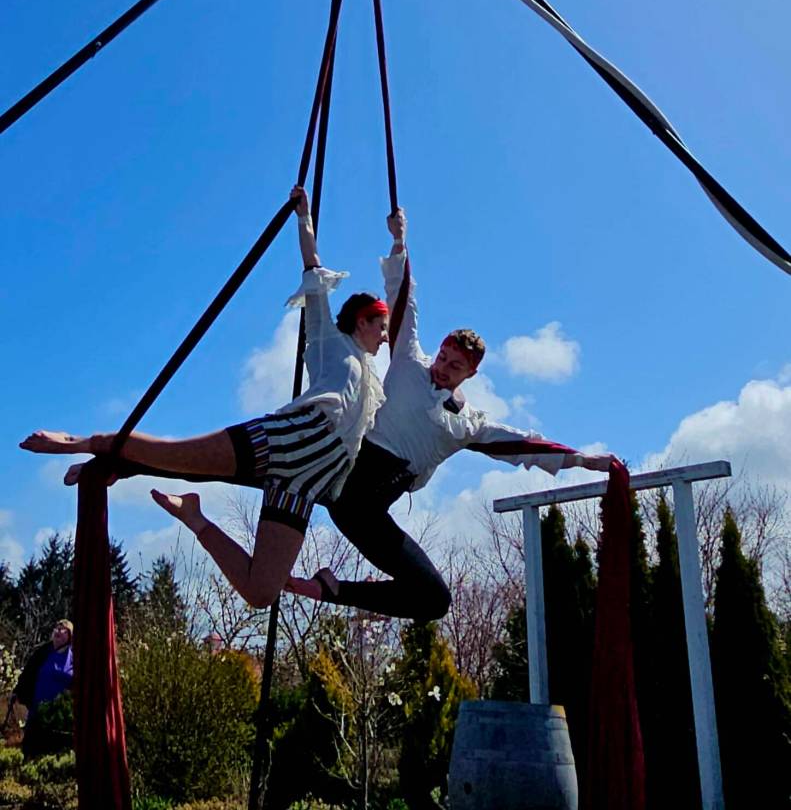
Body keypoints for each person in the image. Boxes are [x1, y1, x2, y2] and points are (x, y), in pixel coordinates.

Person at [20, 187, 388, 609]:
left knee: (261, 592)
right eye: (380, 327)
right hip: (294, 439)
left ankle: (194, 517)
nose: (383, 337)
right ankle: (86, 442)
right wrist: (303, 218)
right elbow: (313, 269)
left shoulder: (372, 377)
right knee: (182, 456)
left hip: (308, 482)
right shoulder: (330, 340)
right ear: (362, 320)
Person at [288, 207, 620, 619]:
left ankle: (332, 589)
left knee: (434, 600)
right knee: (282, 461)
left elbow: (522, 444)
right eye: (443, 357)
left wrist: (585, 459)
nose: (442, 368)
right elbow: (404, 297)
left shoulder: (469, 425)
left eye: (454, 366)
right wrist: (398, 241)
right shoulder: (409, 361)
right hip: (346, 480)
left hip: (367, 514)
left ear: (472, 373)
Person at [13, 620, 74, 757]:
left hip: (60, 717)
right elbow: (28, 673)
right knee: (31, 752)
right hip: (37, 711)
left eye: (63, 629)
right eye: (56, 628)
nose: (58, 631)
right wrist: (18, 692)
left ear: (70, 636)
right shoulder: (42, 652)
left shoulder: (74, 658)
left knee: (56, 753)